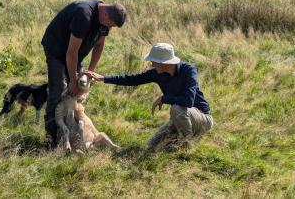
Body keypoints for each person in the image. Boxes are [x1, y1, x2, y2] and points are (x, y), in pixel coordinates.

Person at [84, 43, 213, 151]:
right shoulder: (158, 73)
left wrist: (164, 98)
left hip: (202, 119)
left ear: (163, 63)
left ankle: (187, 145)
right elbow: (133, 79)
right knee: (150, 146)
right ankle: (178, 137)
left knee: (176, 108)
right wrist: (104, 78)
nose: (151, 64)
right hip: (180, 118)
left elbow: (188, 101)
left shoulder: (189, 70)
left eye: (153, 62)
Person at [41, 0, 126, 149]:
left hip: (74, 53)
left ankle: (75, 134)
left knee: (78, 92)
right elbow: (71, 52)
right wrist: (72, 81)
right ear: (106, 16)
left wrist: (90, 71)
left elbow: (99, 45)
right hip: (57, 49)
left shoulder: (104, 19)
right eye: (110, 25)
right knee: (58, 91)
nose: (109, 28)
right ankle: (52, 141)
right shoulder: (84, 15)